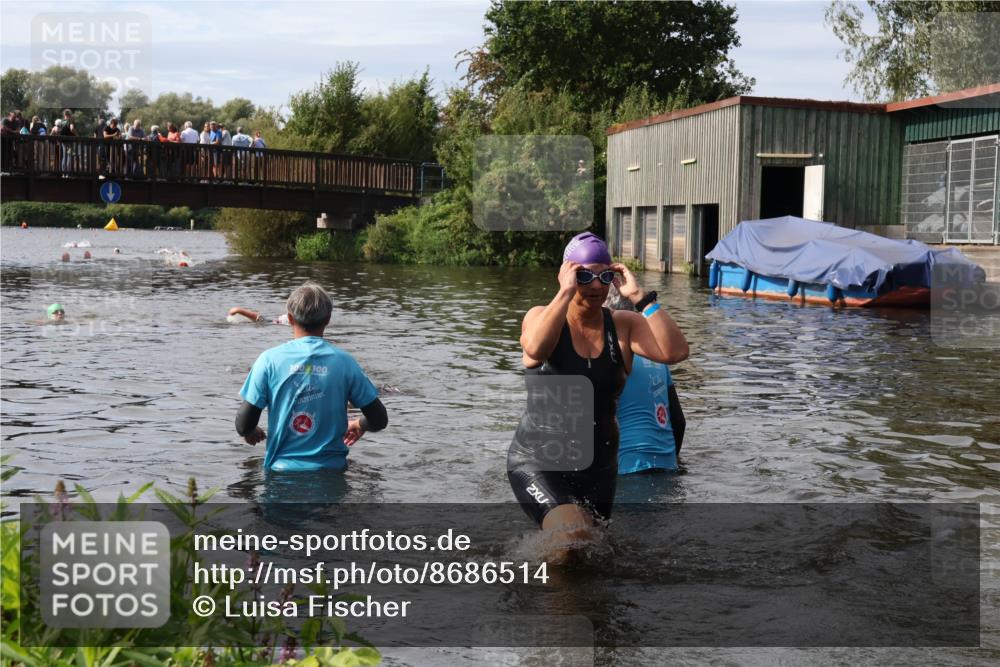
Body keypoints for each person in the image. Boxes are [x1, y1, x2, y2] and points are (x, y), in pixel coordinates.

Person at [507, 232, 688, 557]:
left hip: (599, 468)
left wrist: (641, 298)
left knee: (592, 556)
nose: (595, 286)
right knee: (571, 539)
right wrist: (564, 292)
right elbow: (534, 349)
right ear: (567, 274)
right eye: (584, 276)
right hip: (540, 460)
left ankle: (542, 577)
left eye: (604, 277)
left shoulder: (623, 325)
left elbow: (675, 352)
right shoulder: (540, 317)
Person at [235, 283, 388, 471]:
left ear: (290, 318)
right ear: (328, 319)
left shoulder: (268, 360)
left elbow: (243, 425)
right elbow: (379, 419)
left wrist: (252, 430)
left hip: (280, 472)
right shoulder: (346, 362)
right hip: (332, 472)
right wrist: (359, 424)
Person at [605, 284, 687, 474]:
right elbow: (678, 421)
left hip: (625, 466)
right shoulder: (658, 354)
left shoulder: (603, 353)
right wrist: (673, 459)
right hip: (666, 462)